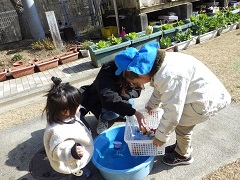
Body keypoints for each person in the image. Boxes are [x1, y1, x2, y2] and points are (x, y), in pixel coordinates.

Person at [114, 42, 231, 166]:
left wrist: (160, 137)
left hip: (204, 101)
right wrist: (151, 105)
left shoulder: (168, 75)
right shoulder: (157, 65)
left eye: (137, 83)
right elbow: (160, 89)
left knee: (182, 127)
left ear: (142, 72)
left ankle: (183, 155)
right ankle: (181, 146)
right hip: (199, 94)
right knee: (180, 125)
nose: (139, 86)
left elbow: (172, 112)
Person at [43, 76, 94, 179]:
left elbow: (77, 117)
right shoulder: (59, 131)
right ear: (65, 111)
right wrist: (72, 152)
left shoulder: (62, 116)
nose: (79, 107)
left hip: (76, 152)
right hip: (70, 161)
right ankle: (79, 175)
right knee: (76, 170)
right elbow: (59, 150)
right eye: (77, 105)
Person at [79, 61, 143, 134]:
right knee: (114, 113)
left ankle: (122, 114)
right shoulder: (107, 73)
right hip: (100, 103)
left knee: (130, 103)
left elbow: (137, 90)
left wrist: (124, 95)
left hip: (118, 97)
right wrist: (134, 112)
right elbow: (109, 99)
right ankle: (103, 119)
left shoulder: (132, 73)